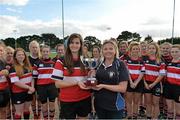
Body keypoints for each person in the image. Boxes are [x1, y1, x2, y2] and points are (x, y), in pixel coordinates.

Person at [51, 33, 91, 119]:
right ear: (68, 44)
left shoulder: (86, 60)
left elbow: (89, 78)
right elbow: (57, 84)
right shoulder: (61, 61)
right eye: (72, 42)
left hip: (84, 97)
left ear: (81, 45)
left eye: (77, 43)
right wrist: (76, 83)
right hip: (67, 100)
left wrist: (92, 75)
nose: (74, 45)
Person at [91, 40, 129, 119]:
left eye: (111, 49)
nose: (108, 51)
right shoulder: (98, 64)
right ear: (102, 51)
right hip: (99, 104)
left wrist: (103, 86)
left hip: (115, 106)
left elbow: (122, 88)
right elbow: (95, 81)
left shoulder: (120, 64)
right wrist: (91, 77)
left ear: (115, 51)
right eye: (105, 49)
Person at [33, 45, 58, 120]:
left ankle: (51, 118)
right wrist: (35, 88)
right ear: (41, 52)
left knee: (52, 104)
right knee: (44, 105)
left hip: (52, 86)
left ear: (49, 52)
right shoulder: (37, 63)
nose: (45, 53)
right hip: (41, 87)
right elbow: (34, 77)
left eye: (47, 51)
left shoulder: (54, 63)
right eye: (44, 51)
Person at [9, 48, 35, 119]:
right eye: (19, 55)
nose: (21, 56)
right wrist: (29, 87)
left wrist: (32, 88)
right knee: (18, 113)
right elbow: (16, 82)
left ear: (25, 56)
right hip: (18, 93)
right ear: (15, 57)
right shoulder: (13, 68)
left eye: (22, 54)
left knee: (26, 110)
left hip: (29, 92)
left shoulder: (28, 66)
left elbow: (32, 78)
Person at [143, 42, 165, 119]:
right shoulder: (144, 59)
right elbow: (142, 72)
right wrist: (145, 82)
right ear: (147, 49)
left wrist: (154, 84)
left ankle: (155, 118)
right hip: (146, 83)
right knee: (148, 103)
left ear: (156, 49)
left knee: (155, 103)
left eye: (153, 48)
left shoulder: (160, 60)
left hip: (156, 84)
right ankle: (148, 117)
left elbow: (161, 74)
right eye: (150, 48)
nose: (151, 50)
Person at [124, 42, 144, 119]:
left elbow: (142, 73)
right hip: (129, 82)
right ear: (130, 50)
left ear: (139, 50)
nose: (135, 50)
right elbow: (127, 72)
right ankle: (129, 116)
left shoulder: (141, 61)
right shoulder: (126, 60)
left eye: (137, 49)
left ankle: (135, 116)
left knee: (136, 101)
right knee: (128, 101)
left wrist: (136, 82)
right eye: (134, 49)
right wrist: (131, 82)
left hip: (138, 83)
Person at [163, 44, 180, 119]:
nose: (174, 53)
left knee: (178, 110)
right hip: (168, 86)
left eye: (176, 51)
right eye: (173, 52)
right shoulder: (168, 63)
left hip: (178, 88)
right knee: (169, 108)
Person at [28, 40, 41, 119]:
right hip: (30, 82)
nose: (35, 49)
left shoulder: (41, 58)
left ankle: (39, 114)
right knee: (32, 99)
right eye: (33, 47)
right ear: (30, 48)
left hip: (40, 82)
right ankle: (34, 114)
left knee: (39, 99)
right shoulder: (27, 59)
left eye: (36, 47)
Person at [0, 43, 10, 119]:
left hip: (5, 90)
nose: (0, 52)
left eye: (1, 50)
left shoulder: (4, 62)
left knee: (3, 110)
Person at [5, 46, 15, 119]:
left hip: (15, 87)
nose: (10, 54)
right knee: (7, 106)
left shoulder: (16, 63)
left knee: (14, 105)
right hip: (5, 88)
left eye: (11, 53)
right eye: (8, 53)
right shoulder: (2, 63)